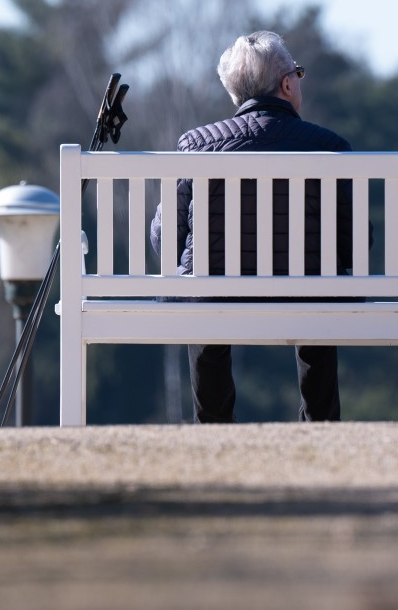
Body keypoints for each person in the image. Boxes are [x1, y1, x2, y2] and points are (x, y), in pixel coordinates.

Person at [150, 30, 367, 423]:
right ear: (286, 84)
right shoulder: (328, 147)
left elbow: (165, 239)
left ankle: (212, 426)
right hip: (309, 295)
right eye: (298, 73)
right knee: (321, 284)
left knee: (200, 285)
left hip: (213, 296)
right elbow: (354, 245)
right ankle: (320, 425)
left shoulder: (196, 145)